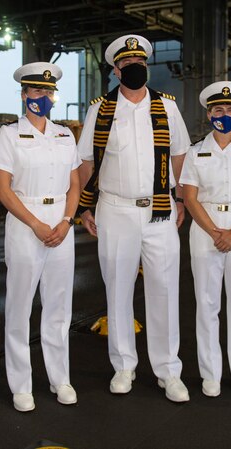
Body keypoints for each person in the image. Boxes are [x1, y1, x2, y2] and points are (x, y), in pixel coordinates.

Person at [77, 34, 191, 402]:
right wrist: (84, 206)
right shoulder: (100, 110)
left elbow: (179, 155)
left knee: (164, 289)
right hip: (116, 209)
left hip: (160, 209)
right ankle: (124, 366)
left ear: (147, 65)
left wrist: (179, 199)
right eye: (127, 65)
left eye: (140, 63)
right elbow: (86, 162)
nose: (135, 69)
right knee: (118, 289)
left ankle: (168, 370)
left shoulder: (167, 107)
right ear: (116, 70)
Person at [0, 62, 81, 412]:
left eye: (48, 91)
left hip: (61, 223)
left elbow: (75, 184)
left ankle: (60, 379)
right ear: (24, 95)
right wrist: (36, 224)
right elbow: (2, 188)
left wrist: (67, 220)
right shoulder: (9, 135)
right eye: (35, 91)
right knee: (20, 306)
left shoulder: (64, 134)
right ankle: (21, 385)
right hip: (26, 223)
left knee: (59, 308)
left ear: (54, 96)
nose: (42, 97)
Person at [179, 81, 231, 398]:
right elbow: (189, 196)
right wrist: (215, 230)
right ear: (209, 114)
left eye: (230, 109)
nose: (224, 114)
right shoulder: (195, 152)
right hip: (206, 229)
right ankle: (211, 373)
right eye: (218, 109)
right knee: (207, 304)